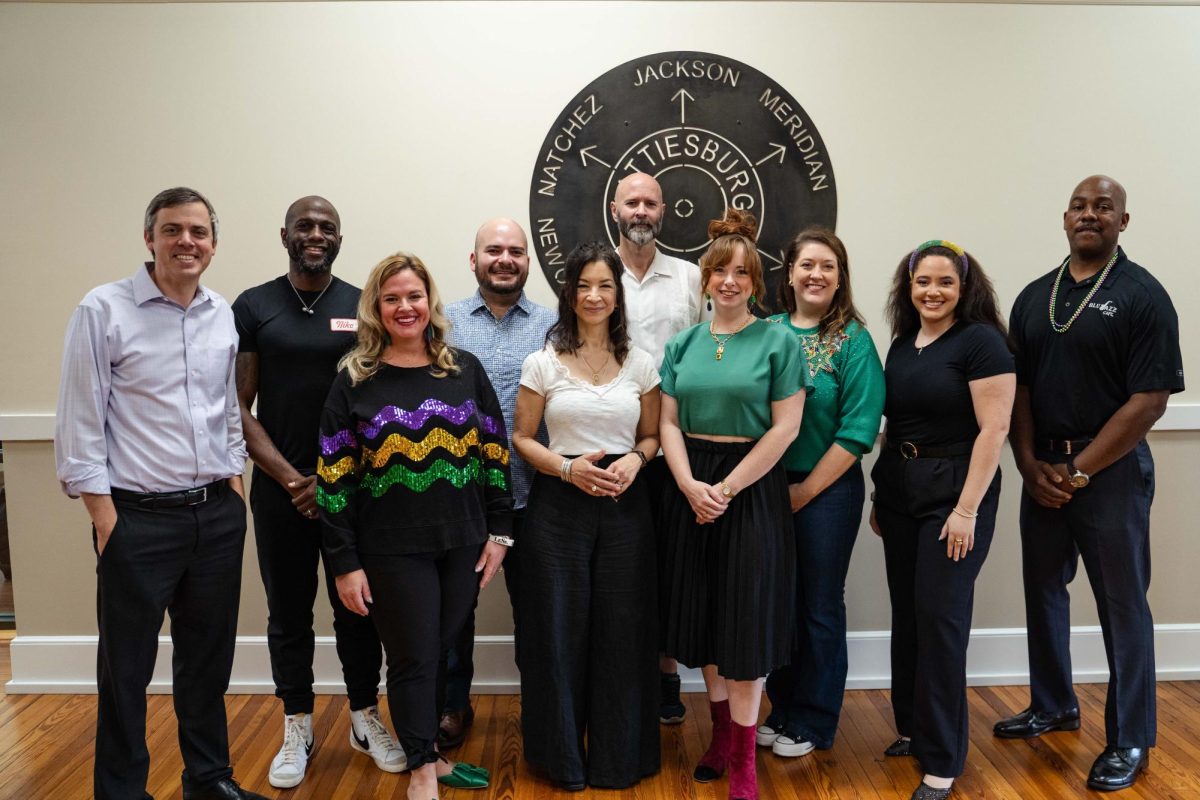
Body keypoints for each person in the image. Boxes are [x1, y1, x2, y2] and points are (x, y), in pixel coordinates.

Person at [55, 187, 267, 800]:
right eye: (172, 230)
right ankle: (121, 792)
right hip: (136, 520)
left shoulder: (219, 313)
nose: (186, 242)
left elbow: (228, 408)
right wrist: (103, 515)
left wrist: (233, 483)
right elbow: (79, 419)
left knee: (206, 662)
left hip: (215, 517)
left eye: (198, 232)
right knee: (126, 669)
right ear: (149, 239)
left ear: (213, 244)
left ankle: (208, 779)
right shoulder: (103, 309)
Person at [995, 176, 1184, 792]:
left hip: (1110, 475)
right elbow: (1016, 390)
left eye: (1104, 207)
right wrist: (1027, 463)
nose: (1090, 215)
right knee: (1044, 591)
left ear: (1123, 222)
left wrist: (1080, 471)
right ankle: (1052, 703)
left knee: (1122, 605)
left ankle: (1131, 738)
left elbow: (1149, 401)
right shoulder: (1032, 297)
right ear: (1065, 217)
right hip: (1042, 469)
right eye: (1080, 206)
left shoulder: (1143, 296)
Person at [317, 252, 510, 800]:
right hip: (390, 549)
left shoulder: (463, 370)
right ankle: (422, 768)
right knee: (413, 656)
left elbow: (494, 454)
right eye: (392, 298)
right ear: (376, 308)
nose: (406, 307)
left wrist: (500, 533)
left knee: (440, 647)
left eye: (414, 296)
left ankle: (430, 754)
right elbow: (333, 479)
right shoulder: (354, 380)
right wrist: (345, 563)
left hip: (462, 541)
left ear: (431, 302)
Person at [233, 196, 402, 789]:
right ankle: (297, 724)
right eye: (305, 226)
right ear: (284, 235)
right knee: (289, 612)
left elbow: (377, 401)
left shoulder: (361, 305)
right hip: (283, 489)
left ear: (339, 237)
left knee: (359, 607)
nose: (315, 234)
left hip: (352, 487)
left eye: (327, 227)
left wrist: (332, 480)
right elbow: (239, 408)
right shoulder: (254, 306)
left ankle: (364, 718)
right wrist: (290, 478)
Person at [658, 209, 809, 800]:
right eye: (719, 270)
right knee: (705, 620)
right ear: (705, 278)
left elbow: (785, 429)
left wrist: (725, 489)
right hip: (690, 487)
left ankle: (744, 763)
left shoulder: (778, 340)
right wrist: (691, 485)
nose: (729, 281)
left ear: (755, 282)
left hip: (750, 489)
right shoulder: (683, 344)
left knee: (743, 627)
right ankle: (721, 737)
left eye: (741, 273)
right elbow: (667, 422)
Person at [511, 242, 662, 791]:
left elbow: (650, 435)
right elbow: (523, 438)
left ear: (618, 295)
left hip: (626, 510)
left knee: (623, 632)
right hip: (558, 509)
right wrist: (568, 469)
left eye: (605, 285)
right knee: (556, 633)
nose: (594, 296)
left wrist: (636, 461)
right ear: (569, 294)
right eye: (583, 286)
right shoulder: (542, 361)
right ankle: (561, 761)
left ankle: (621, 759)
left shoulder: (641, 363)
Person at [869, 240, 1015, 800]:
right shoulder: (904, 344)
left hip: (954, 496)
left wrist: (966, 511)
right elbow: (895, 426)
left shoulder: (981, 343)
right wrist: (882, 498)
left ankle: (943, 761)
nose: (933, 291)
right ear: (908, 288)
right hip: (902, 494)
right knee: (908, 614)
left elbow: (994, 431)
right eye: (922, 282)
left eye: (945, 283)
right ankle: (913, 729)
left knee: (940, 620)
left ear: (964, 287)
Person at [759, 228, 885, 757]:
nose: (816, 274)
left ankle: (813, 719)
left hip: (827, 490)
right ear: (788, 273)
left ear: (840, 278)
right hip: (763, 489)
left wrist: (805, 491)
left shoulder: (853, 340)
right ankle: (782, 708)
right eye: (806, 264)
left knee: (818, 605)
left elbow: (857, 431)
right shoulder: (763, 331)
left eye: (827, 266)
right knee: (778, 604)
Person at [440, 218, 555, 749]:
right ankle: (450, 707)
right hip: (462, 498)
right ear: (474, 260)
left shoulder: (556, 326)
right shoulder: (444, 324)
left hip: (537, 496)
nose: (504, 259)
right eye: (493, 250)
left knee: (538, 614)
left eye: (515, 251)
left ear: (528, 262)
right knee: (452, 614)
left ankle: (544, 712)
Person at [611, 170, 708, 724]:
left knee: (670, 563)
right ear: (616, 210)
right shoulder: (597, 277)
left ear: (663, 210)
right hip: (614, 447)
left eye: (651, 202)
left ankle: (667, 678)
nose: (642, 210)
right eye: (633, 202)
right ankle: (625, 677)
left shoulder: (691, 279)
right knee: (625, 567)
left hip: (675, 444)